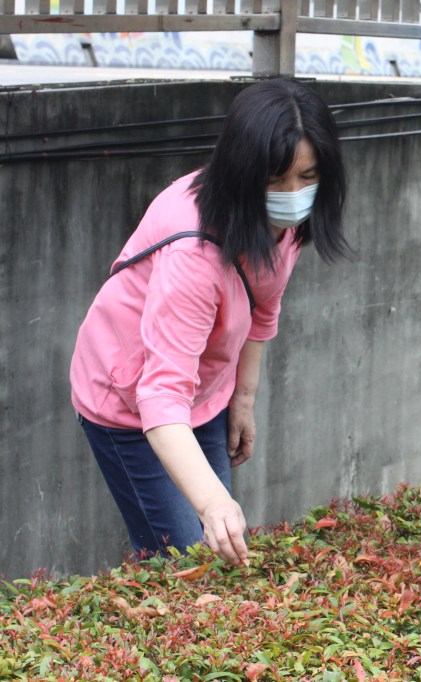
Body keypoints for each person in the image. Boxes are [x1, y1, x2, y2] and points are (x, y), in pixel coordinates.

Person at [70, 78, 347, 567]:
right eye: (274, 179)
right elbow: (159, 394)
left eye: (307, 176)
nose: (292, 194)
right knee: (189, 561)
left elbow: (265, 301)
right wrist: (214, 500)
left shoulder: (290, 219)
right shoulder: (194, 255)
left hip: (202, 391)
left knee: (217, 551)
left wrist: (242, 398)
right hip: (129, 398)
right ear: (243, 172)